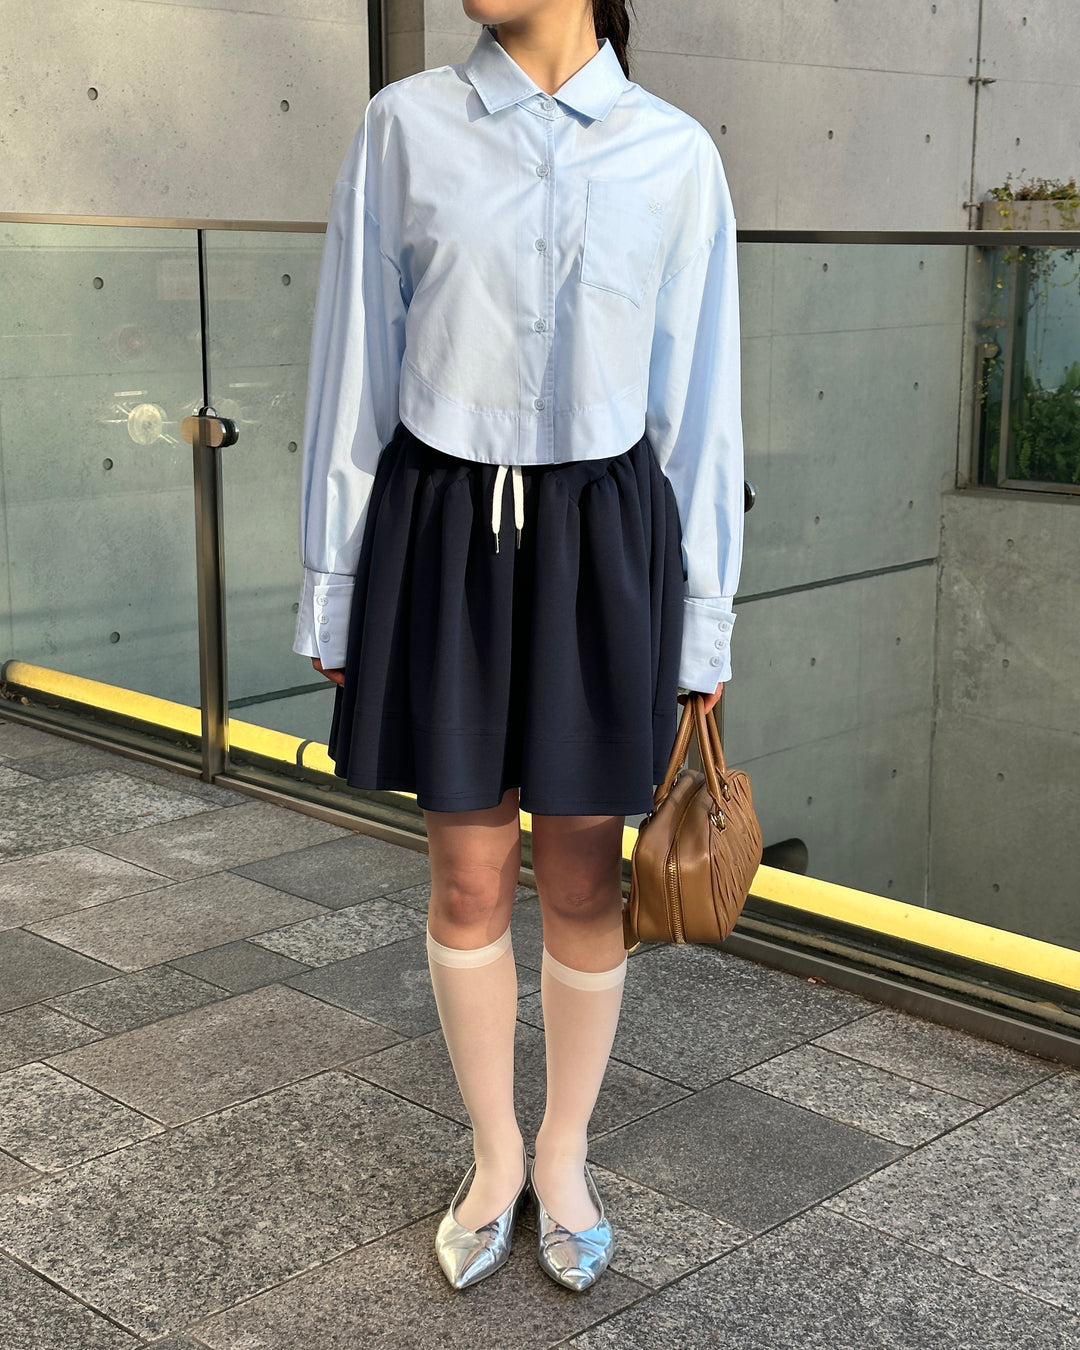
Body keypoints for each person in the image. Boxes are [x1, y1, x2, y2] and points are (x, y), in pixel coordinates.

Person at [292, 0, 744, 1293]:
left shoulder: (675, 153)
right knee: (468, 878)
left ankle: (566, 1153)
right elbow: (353, 367)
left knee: (589, 879)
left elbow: (701, 402)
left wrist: (705, 613)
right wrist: (334, 587)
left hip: (606, 540)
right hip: (444, 529)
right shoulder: (404, 130)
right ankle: (495, 1157)